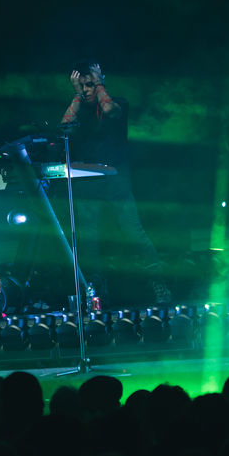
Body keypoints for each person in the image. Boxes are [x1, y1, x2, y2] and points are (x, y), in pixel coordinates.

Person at [59, 60, 170, 305]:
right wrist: (77, 95)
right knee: (88, 239)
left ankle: (159, 284)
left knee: (134, 233)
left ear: (100, 82)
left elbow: (110, 111)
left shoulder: (118, 103)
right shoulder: (80, 109)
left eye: (90, 84)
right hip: (87, 184)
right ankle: (96, 292)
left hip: (116, 183)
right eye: (83, 85)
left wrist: (99, 83)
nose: (87, 89)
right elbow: (65, 125)